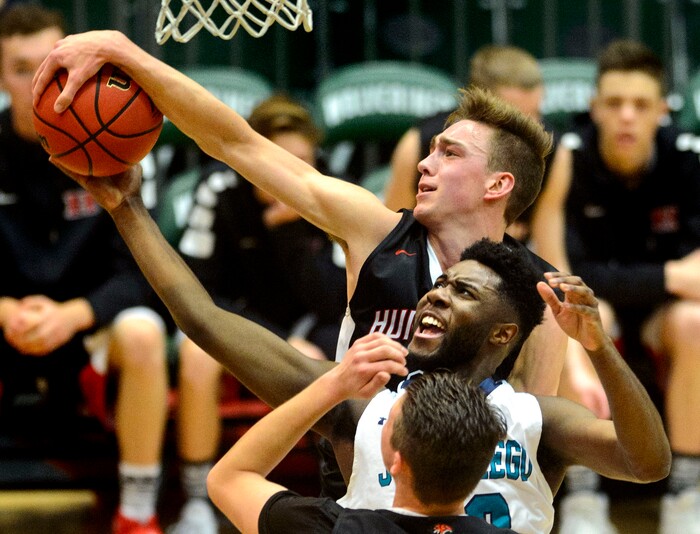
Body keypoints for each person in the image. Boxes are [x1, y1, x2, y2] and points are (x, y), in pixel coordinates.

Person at [15, 132, 673, 532]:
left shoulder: (524, 415)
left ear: (505, 333)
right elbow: (205, 319)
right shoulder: (371, 398)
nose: (434, 295)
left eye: (461, 291)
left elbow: (647, 463)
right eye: (439, 285)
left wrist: (597, 349)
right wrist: (126, 209)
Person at [33, 33, 570, 503]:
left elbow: (531, 456)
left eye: (449, 154)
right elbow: (235, 142)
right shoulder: (376, 230)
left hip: (465, 507)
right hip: (353, 492)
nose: (425, 164)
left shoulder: (538, 295)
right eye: (430, 150)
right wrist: (129, 56)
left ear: (498, 185)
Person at [0, 6, 169, 534]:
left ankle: (136, 514)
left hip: (92, 327)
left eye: (49, 65)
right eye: (20, 68)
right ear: (0, 75)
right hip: (9, 323)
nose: (37, 82)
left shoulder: (121, 143)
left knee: (143, 332)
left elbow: (150, 272)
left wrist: (76, 313)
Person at [530, 39, 700, 533]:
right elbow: (561, 271)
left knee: (695, 321)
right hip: (598, 301)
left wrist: (648, 285)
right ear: (594, 108)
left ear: (663, 112)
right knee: (567, 314)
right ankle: (583, 498)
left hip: (662, 316)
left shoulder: (687, 160)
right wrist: (666, 277)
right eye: (615, 103)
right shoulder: (568, 160)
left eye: (641, 105)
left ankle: (687, 492)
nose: (627, 116)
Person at [168, 94, 345, 534]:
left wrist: (288, 230)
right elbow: (198, 293)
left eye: (303, 160)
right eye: (277, 159)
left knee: (359, 349)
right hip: (234, 322)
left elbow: (339, 300)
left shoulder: (334, 191)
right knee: (195, 352)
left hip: (315, 325)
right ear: (252, 159)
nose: (291, 172)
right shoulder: (219, 190)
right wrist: (279, 343)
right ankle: (195, 502)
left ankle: (343, 494)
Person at [207, 364, 517, 534]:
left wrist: (333, 386)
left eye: (387, 421)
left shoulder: (333, 527)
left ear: (397, 461)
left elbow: (229, 477)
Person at [383, 44, 557, 243]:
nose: (531, 126)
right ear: (481, 105)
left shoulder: (549, 149)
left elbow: (549, 246)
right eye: (514, 117)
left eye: (535, 113)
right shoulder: (417, 144)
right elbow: (392, 238)